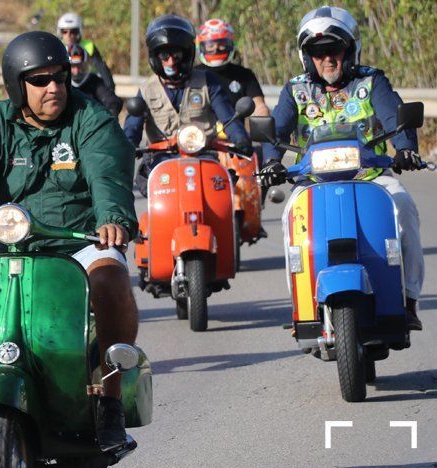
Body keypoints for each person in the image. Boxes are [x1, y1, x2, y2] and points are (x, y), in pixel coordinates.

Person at [0, 31, 138, 449]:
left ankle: (110, 399)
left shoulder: (90, 119)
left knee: (110, 281)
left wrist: (112, 219)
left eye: (59, 77)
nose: (53, 87)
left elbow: (108, 174)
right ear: (18, 85)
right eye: (40, 80)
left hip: (80, 243)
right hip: (12, 248)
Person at [258, 6, 426, 329]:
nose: (327, 60)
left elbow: (394, 114)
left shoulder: (371, 81)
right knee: (290, 217)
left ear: (349, 50)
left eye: (333, 50)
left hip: (372, 176)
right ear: (308, 58)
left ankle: (408, 298)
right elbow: (276, 130)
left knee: (404, 207)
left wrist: (406, 150)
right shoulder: (295, 90)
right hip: (312, 179)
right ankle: (302, 306)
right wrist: (270, 161)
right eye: (318, 53)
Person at [122, 15, 252, 172]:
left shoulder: (208, 82)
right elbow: (132, 128)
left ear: (187, 54)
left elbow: (227, 116)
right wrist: (128, 145)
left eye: (176, 55)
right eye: (164, 56)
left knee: (224, 187)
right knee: (138, 183)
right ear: (156, 58)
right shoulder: (147, 89)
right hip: (161, 161)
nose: (170, 62)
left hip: (204, 157)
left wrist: (240, 139)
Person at [195, 18, 269, 116]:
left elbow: (259, 106)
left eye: (221, 45)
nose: (216, 49)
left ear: (230, 45)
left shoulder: (244, 75)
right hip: (199, 130)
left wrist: (263, 119)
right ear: (201, 46)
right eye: (210, 46)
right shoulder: (193, 75)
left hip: (236, 129)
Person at [57, 12, 114, 91]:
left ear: (79, 31)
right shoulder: (57, 47)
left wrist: (110, 88)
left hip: (87, 83)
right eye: (64, 31)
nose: (69, 35)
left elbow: (102, 68)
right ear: (60, 33)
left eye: (73, 31)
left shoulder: (88, 46)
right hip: (63, 84)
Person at [69, 44, 121, 117]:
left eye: (80, 66)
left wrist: (110, 114)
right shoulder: (62, 83)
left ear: (86, 65)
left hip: (92, 124)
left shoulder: (95, 81)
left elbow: (112, 100)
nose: (76, 71)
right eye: (73, 66)